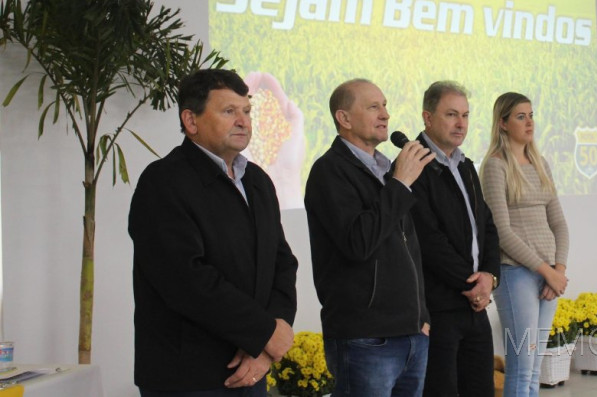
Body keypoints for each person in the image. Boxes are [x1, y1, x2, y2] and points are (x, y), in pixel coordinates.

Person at [129, 68, 298, 396]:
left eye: (247, 111)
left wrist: (268, 343)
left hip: (253, 367)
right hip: (188, 378)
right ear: (191, 121)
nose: (243, 121)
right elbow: (186, 281)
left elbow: (281, 263)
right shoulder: (163, 181)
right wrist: (264, 333)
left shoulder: (258, 181)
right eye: (229, 111)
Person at [305, 79, 435, 397]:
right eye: (373, 106)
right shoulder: (329, 172)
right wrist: (400, 184)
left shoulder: (387, 171)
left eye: (386, 105)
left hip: (411, 333)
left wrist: (422, 316)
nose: (385, 114)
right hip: (365, 337)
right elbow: (358, 242)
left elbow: (410, 249)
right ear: (344, 118)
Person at [410, 81, 500, 397]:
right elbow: (428, 240)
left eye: (465, 115)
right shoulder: (413, 165)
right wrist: (472, 284)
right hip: (439, 308)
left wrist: (490, 277)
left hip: (475, 306)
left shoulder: (465, 165)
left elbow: (486, 226)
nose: (460, 123)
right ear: (427, 117)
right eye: (451, 114)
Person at [480, 92, 569, 397]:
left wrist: (558, 269)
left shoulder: (540, 162)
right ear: (503, 123)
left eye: (531, 115)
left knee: (534, 366)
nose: (529, 122)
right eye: (520, 116)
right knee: (521, 365)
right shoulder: (495, 165)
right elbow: (501, 232)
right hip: (515, 273)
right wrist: (548, 272)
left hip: (547, 276)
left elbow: (559, 224)